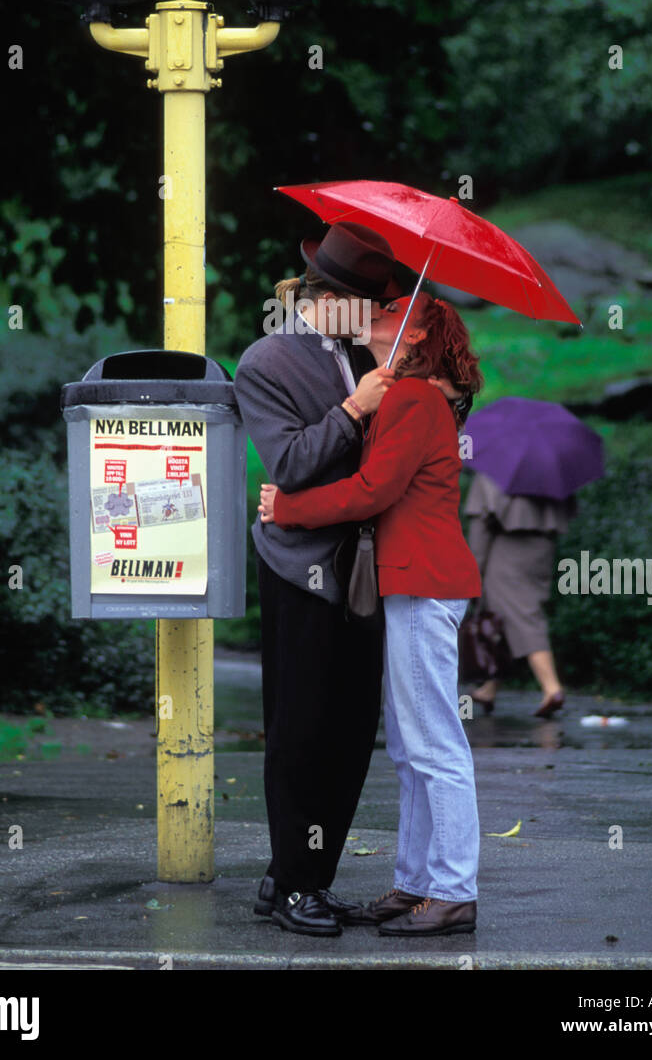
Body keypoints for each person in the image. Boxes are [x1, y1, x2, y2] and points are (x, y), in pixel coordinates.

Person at [260, 292, 484, 938]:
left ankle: (452, 890)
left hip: (422, 580)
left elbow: (372, 491)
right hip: (416, 581)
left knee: (434, 744)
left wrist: (286, 509)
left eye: (387, 310)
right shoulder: (413, 396)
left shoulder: (415, 400)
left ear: (413, 335)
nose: (373, 315)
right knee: (413, 747)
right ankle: (417, 883)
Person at [234, 222, 401, 937]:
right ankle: (300, 882)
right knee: (301, 727)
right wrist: (356, 408)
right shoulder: (266, 362)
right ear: (326, 296)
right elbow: (293, 465)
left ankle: (295, 874)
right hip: (299, 568)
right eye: (363, 304)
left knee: (351, 725)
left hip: (365, 560)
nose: (371, 319)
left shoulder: (367, 351)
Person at [463, 472, 576, 717]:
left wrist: (475, 569)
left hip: (507, 552)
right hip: (542, 547)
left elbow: (481, 528)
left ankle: (552, 688)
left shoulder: (493, 468)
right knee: (503, 617)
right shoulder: (548, 469)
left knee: (522, 616)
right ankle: (490, 688)